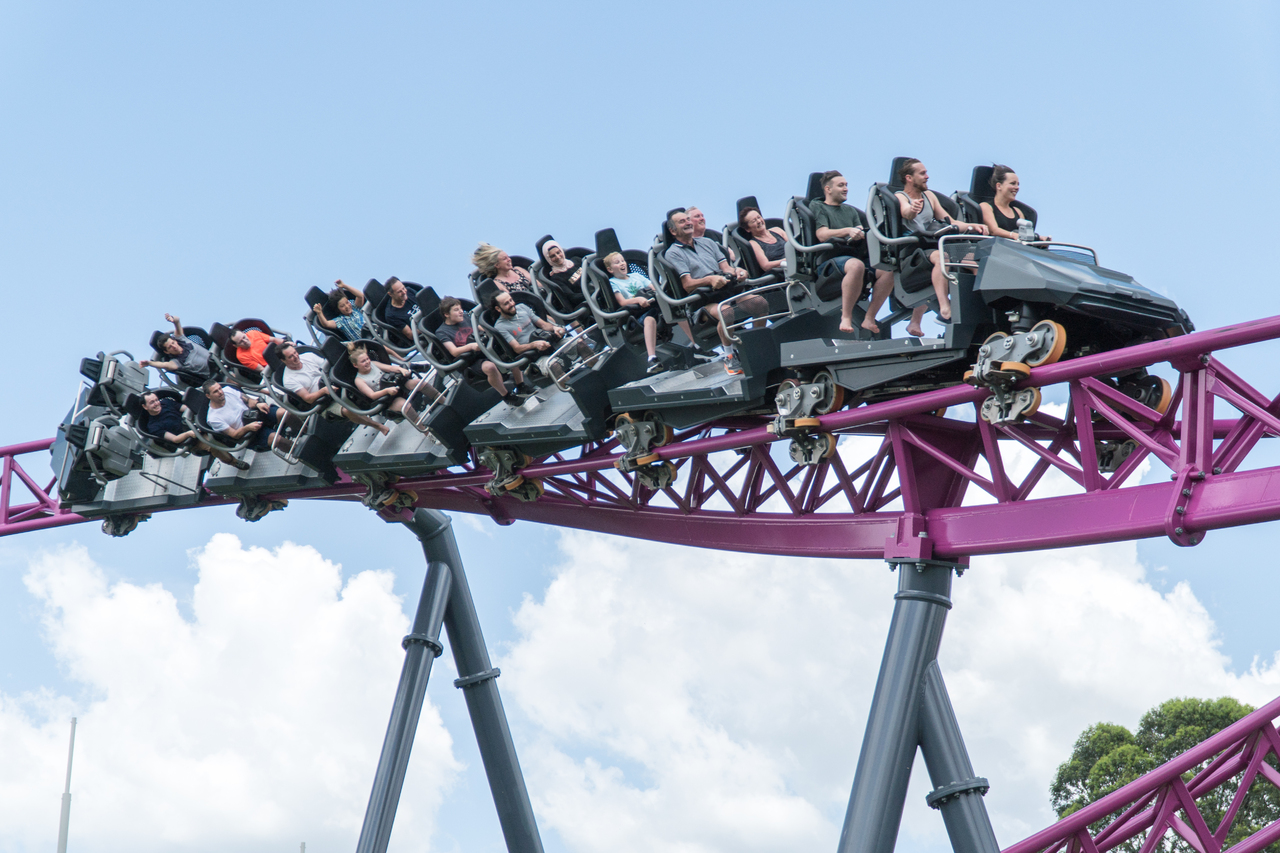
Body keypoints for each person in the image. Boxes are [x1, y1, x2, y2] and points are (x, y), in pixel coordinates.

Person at [664, 209, 767, 376]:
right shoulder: (673, 253)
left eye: (688, 220)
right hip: (702, 302)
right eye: (682, 222)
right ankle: (730, 356)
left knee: (760, 303)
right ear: (673, 230)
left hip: (725, 292)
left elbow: (726, 268)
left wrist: (738, 272)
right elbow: (688, 284)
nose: (688, 223)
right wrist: (710, 280)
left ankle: (756, 345)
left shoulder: (708, 243)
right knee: (725, 311)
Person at [895, 159, 989, 336]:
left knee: (974, 259)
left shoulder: (929, 196)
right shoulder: (901, 197)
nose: (927, 176)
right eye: (922, 173)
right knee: (941, 258)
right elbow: (906, 211)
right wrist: (913, 209)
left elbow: (950, 222)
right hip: (915, 250)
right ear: (909, 178)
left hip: (935, 242)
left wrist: (972, 227)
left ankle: (980, 303)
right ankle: (945, 309)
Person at [810, 171, 897, 336]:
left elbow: (858, 232)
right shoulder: (818, 207)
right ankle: (846, 317)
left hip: (853, 257)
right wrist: (847, 231)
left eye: (846, 185)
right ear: (828, 189)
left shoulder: (850, 211)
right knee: (856, 266)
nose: (846, 189)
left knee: (888, 270)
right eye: (841, 185)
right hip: (829, 262)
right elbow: (822, 234)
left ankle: (869, 318)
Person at [277, 342, 390, 435]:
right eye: (290, 356)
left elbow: (329, 367)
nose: (296, 357)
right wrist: (324, 390)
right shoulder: (289, 380)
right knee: (347, 410)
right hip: (323, 401)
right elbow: (308, 398)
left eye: (295, 353)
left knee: (357, 379)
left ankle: (384, 401)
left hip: (335, 383)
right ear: (283, 360)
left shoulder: (307, 356)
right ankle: (378, 426)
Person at [437, 296, 532, 403]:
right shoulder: (442, 332)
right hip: (471, 360)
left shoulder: (466, 318)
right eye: (456, 310)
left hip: (484, 349)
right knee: (490, 367)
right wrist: (471, 346)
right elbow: (454, 351)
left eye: (460, 309)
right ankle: (506, 396)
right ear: (446, 314)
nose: (460, 312)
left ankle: (521, 386)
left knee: (509, 349)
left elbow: (480, 329)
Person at [493, 290, 591, 382]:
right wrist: (534, 345)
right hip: (534, 355)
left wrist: (555, 328)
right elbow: (517, 348)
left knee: (580, 344)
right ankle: (575, 389)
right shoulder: (500, 326)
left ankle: (596, 373)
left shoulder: (522, 307)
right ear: (498, 309)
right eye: (506, 303)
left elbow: (543, 325)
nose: (511, 304)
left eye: (511, 300)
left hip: (548, 342)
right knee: (553, 366)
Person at [138, 390, 250, 470]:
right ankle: (234, 462)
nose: (156, 403)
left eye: (156, 400)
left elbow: (186, 409)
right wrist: (189, 433)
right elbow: (175, 439)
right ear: (145, 406)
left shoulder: (166, 403)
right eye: (152, 402)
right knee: (212, 445)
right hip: (192, 436)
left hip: (195, 423)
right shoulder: (153, 427)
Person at [347, 343, 436, 432]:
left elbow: (389, 368)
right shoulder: (359, 380)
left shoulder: (373, 364)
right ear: (356, 365)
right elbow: (372, 395)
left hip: (396, 386)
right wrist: (386, 391)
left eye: (367, 359)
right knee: (405, 406)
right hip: (387, 399)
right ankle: (427, 432)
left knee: (418, 383)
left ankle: (443, 401)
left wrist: (401, 369)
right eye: (363, 361)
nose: (367, 362)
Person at [604, 252, 664, 373]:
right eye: (617, 262)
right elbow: (622, 302)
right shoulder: (613, 283)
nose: (622, 263)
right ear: (610, 269)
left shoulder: (636, 275)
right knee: (649, 319)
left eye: (622, 261)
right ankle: (652, 358)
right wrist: (638, 299)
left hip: (653, 307)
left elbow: (655, 288)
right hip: (635, 317)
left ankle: (696, 344)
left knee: (673, 310)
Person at [203, 379, 293, 453]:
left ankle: (304, 431)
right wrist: (248, 428)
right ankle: (299, 452)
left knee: (284, 413)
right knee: (276, 439)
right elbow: (234, 435)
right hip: (250, 433)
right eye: (215, 391)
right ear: (208, 396)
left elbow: (248, 400)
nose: (220, 392)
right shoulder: (213, 419)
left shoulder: (227, 390)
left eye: (219, 388)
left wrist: (257, 404)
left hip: (256, 415)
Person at [979, 165, 1051, 241]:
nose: (1017, 188)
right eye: (1013, 183)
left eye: (1018, 184)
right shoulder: (986, 207)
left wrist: (1039, 238)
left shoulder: (1018, 212)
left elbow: (1025, 235)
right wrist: (1013, 235)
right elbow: (994, 230)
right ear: (999, 186)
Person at [141, 313, 217, 380]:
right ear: (166, 351)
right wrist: (149, 363)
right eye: (170, 347)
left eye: (173, 343)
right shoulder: (176, 362)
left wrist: (173, 319)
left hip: (217, 358)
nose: (173, 346)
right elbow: (164, 365)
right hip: (214, 373)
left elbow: (177, 322)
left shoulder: (181, 339)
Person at [536, 237, 584, 306]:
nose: (558, 257)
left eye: (558, 252)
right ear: (548, 259)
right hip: (586, 300)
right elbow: (573, 297)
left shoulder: (577, 260)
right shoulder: (556, 279)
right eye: (553, 256)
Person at [739, 207, 788, 274]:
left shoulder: (778, 230)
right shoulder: (753, 244)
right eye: (754, 221)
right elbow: (765, 266)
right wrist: (787, 260)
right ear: (748, 229)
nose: (759, 221)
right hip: (780, 272)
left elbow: (794, 246)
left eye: (759, 217)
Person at [382, 278, 417, 344]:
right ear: (390, 294)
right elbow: (411, 335)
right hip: (422, 331)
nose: (404, 292)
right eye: (399, 292)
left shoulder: (409, 291)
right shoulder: (391, 315)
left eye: (403, 288)